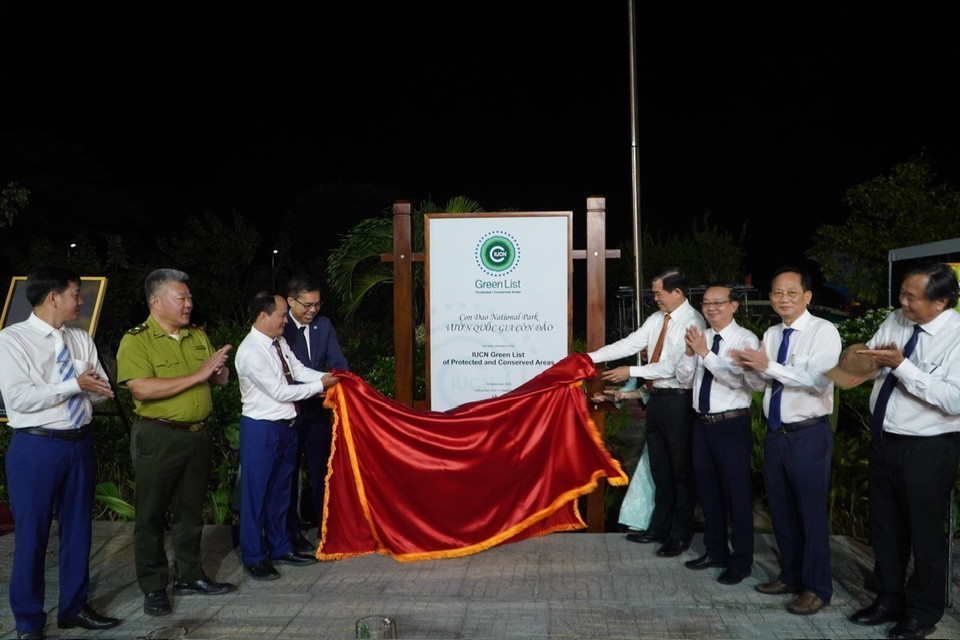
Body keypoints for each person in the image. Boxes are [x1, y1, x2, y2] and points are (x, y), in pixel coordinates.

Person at [0, 267, 121, 639]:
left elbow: (99, 391)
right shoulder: (12, 340)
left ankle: (74, 607)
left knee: (78, 530)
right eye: (75, 294)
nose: (81, 301)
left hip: (79, 443)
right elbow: (19, 397)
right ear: (53, 297)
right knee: (33, 535)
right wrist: (74, 385)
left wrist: (95, 389)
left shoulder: (80, 338)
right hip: (36, 446)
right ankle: (28, 622)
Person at [847, 262, 960, 640]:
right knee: (886, 528)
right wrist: (861, 359)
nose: (903, 303)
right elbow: (872, 361)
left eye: (912, 297)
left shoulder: (957, 336)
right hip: (885, 440)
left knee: (925, 533)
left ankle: (923, 611)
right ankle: (888, 598)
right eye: (901, 294)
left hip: (929, 447)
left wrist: (903, 366)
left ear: (941, 301)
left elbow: (954, 399)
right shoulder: (896, 319)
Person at [116, 268, 236, 617]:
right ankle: (154, 586)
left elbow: (219, 380)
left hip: (198, 435)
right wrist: (198, 375)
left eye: (190, 297)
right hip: (159, 436)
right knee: (151, 514)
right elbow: (141, 388)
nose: (188, 304)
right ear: (156, 302)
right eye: (181, 297)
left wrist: (219, 371)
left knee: (190, 512)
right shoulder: (136, 340)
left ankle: (190, 575)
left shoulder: (197, 335)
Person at [730, 266, 841, 616]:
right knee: (781, 510)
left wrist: (768, 366)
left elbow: (818, 382)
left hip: (808, 434)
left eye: (792, 292)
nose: (783, 299)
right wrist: (751, 368)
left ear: (807, 296)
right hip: (776, 435)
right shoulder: (772, 333)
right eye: (777, 293)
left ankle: (818, 587)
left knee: (810, 514)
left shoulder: (824, 331)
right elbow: (764, 384)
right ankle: (790, 575)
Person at [588, 267, 705, 557]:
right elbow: (630, 343)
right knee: (660, 470)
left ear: (677, 292)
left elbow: (674, 367)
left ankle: (680, 535)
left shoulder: (693, 322)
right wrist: (588, 358)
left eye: (658, 293)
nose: (655, 299)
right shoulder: (657, 319)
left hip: (679, 402)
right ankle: (658, 527)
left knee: (680, 472)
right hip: (657, 400)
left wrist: (632, 370)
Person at [234, 292, 340, 580]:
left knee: (282, 492)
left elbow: (299, 370)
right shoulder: (251, 352)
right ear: (263, 316)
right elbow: (280, 391)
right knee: (256, 495)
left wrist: (327, 379)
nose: (285, 321)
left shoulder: (278, 342)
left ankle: (281, 546)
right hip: (261, 429)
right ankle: (254, 556)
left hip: (287, 427)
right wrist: (320, 385)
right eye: (281, 315)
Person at [676, 283, 762, 586]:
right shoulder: (703, 336)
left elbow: (739, 381)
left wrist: (705, 354)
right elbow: (684, 378)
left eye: (718, 302)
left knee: (736, 495)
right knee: (708, 491)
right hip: (702, 424)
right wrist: (691, 353)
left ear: (734, 306)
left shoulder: (745, 339)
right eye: (706, 303)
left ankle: (741, 561)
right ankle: (715, 551)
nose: (711, 308)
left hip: (731, 425)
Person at [282, 274, 349, 554]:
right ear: (290, 301)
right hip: (288, 412)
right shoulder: (280, 327)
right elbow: (283, 375)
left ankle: (327, 528)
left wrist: (335, 383)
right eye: (307, 305)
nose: (312, 310)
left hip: (318, 412)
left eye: (317, 304)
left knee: (323, 470)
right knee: (288, 475)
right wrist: (316, 386)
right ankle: (291, 532)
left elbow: (339, 363)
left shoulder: (324, 325)